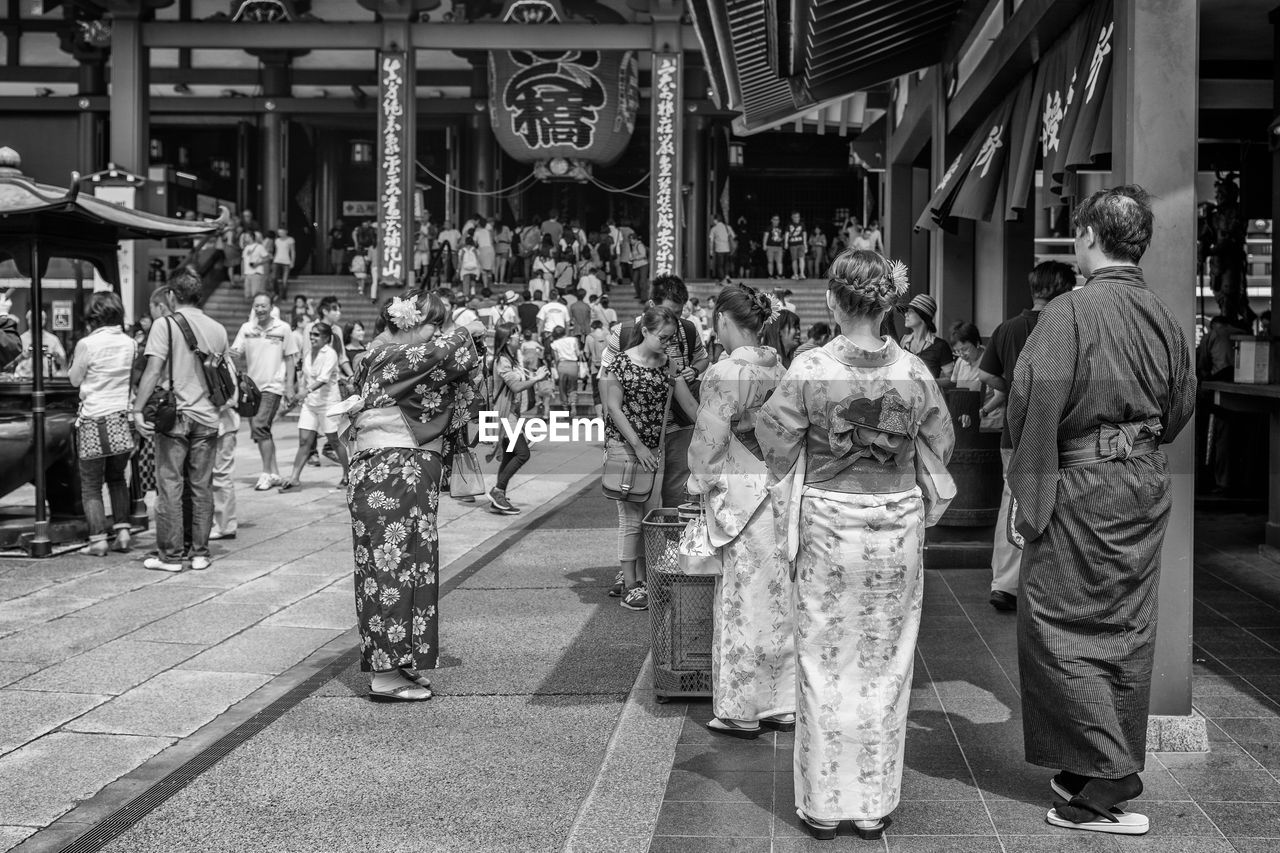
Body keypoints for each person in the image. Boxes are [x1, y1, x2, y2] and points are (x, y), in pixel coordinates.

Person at [1006, 186, 1195, 835]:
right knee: (1124, 628)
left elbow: (1032, 402)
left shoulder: (1070, 311)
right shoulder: (1164, 318)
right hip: (1141, 484)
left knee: (1057, 622)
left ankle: (1109, 776)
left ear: (1088, 237)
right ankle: (1091, 760)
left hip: (1082, 487)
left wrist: (1030, 496)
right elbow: (1180, 404)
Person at [756, 248, 955, 841]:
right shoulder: (915, 373)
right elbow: (940, 444)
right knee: (885, 661)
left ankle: (823, 803)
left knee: (823, 658)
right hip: (895, 525)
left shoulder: (811, 367)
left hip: (828, 525)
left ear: (838, 303)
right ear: (887, 303)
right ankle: (871, 804)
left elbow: (774, 441)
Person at [346, 290, 479, 701]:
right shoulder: (387, 357)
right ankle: (385, 674)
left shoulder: (404, 361)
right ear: (406, 324)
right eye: (432, 324)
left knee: (413, 563)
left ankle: (401, 660)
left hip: (403, 468)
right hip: (389, 468)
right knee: (391, 568)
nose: (440, 332)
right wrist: (458, 329)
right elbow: (459, 347)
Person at [687, 284, 795, 740]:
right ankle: (782, 702)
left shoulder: (723, 371)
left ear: (724, 321)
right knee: (777, 595)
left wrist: (700, 481)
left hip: (739, 490)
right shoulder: (781, 367)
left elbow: (709, 440)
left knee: (739, 599)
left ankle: (741, 709)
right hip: (779, 486)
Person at [977, 260, 1076, 611]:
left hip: (1014, 434)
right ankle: (1048, 588)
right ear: (1061, 289)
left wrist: (1012, 389)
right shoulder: (1068, 327)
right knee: (1059, 504)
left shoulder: (1008, 328)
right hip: (1058, 432)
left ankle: (1005, 584)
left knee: (1013, 504)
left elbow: (986, 375)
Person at [134, 270, 230, 573]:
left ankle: (171, 555)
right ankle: (200, 553)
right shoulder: (218, 328)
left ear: (173, 296)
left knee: (170, 485)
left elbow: (152, 370)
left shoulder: (165, 325)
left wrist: (137, 409)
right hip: (208, 417)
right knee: (202, 486)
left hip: (175, 415)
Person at [603, 306, 698, 612]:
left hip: (653, 452)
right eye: (662, 337)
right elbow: (613, 409)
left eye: (671, 339)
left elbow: (691, 407)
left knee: (650, 516)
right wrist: (639, 447)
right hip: (627, 450)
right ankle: (631, 584)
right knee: (631, 519)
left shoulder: (668, 365)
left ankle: (645, 580)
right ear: (645, 330)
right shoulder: (619, 364)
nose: (667, 344)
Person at [599, 275, 709, 512]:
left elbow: (702, 358)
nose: (676, 320)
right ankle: (645, 546)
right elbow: (604, 375)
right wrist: (609, 420)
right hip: (638, 429)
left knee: (676, 496)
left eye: (680, 313)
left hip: (679, 425)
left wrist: (694, 370)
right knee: (637, 499)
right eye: (670, 312)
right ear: (652, 305)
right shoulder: (623, 332)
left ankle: (667, 544)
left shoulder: (687, 330)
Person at [68, 292, 136, 557]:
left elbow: (74, 379)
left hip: (94, 419)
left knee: (91, 484)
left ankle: (97, 540)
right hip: (122, 418)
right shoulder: (130, 343)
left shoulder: (87, 344)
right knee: (118, 478)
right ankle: (123, 533)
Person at [230, 293, 299, 492]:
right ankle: (275, 472)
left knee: (260, 426)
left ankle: (266, 473)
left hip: (273, 386)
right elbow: (236, 352)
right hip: (252, 389)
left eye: (263, 306)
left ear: (271, 307)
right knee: (262, 431)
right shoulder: (247, 328)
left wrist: (289, 386)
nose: (260, 309)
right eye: (256, 306)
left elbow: (289, 358)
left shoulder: (282, 328)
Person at [488, 322, 549, 514]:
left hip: (513, 413)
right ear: (507, 340)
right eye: (516, 335)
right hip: (505, 414)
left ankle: (498, 498)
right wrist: (537, 380)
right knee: (523, 453)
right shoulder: (502, 361)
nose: (520, 338)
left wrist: (535, 374)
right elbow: (515, 386)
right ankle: (497, 490)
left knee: (509, 454)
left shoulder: (511, 359)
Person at [280, 321, 347, 491]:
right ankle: (294, 478)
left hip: (328, 403)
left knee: (334, 440)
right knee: (304, 441)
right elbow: (305, 379)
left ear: (326, 338)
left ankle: (348, 474)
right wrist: (297, 394)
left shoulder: (330, 353)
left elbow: (323, 379)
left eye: (316, 334)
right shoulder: (308, 353)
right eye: (311, 334)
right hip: (310, 404)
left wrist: (304, 392)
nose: (312, 337)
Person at [944, 321, 1004, 432]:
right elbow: (955, 386)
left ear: (976, 343)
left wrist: (982, 412)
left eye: (965, 349)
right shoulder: (960, 362)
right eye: (957, 351)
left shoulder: (990, 360)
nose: (961, 355)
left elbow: (1000, 395)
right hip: (967, 423)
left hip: (991, 423)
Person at [899, 293, 953, 379]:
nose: (906, 314)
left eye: (911, 311)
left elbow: (951, 380)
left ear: (922, 316)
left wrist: (929, 383)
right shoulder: (902, 342)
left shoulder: (940, 346)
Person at [549, 326, 580, 410]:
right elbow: (578, 353)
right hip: (573, 365)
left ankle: (565, 406)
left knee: (562, 387)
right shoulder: (573, 340)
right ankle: (573, 404)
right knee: (573, 386)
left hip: (562, 365)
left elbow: (556, 358)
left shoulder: (554, 344)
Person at [709, 212, 735, 283]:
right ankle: (727, 276)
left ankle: (722, 280)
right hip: (727, 249)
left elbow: (711, 241)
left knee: (720, 265)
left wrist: (711, 251)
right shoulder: (727, 227)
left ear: (715, 220)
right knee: (726, 264)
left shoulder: (714, 229)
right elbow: (733, 236)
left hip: (719, 249)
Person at [273, 227, 296, 298]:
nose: (280, 234)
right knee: (274, 278)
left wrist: (292, 261)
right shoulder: (277, 240)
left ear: (286, 232)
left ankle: (283, 295)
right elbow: (276, 250)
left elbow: (292, 251)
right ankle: (276, 292)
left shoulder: (290, 240)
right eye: (279, 233)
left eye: (282, 232)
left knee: (284, 280)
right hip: (277, 260)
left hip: (286, 261)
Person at [785, 211, 807, 280]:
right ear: (792, 217)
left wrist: (805, 244)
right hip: (793, 245)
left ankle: (802, 274)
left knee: (801, 259)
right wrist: (786, 243)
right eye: (795, 217)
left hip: (800, 244)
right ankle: (795, 274)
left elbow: (804, 234)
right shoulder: (789, 225)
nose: (796, 218)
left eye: (798, 217)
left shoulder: (802, 224)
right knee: (794, 260)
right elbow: (787, 234)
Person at [762, 215, 785, 279]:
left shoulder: (781, 228)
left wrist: (782, 241)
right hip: (770, 246)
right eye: (775, 219)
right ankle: (770, 275)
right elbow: (765, 236)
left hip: (779, 247)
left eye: (777, 220)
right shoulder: (768, 228)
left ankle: (780, 274)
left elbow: (783, 236)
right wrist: (764, 245)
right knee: (770, 261)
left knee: (779, 261)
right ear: (771, 220)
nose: (776, 221)